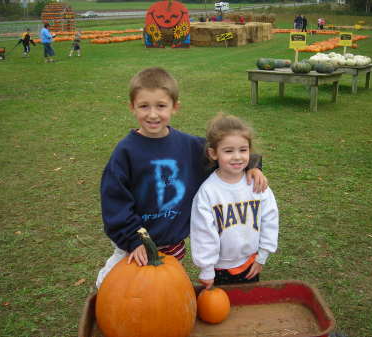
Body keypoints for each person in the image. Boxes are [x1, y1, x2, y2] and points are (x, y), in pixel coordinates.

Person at [95, 68, 268, 288]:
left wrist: (252, 166)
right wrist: (133, 239)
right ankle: (105, 298)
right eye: (144, 106)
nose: (153, 114)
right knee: (114, 287)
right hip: (136, 244)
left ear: (175, 107)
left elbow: (225, 154)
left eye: (161, 106)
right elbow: (115, 201)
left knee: (162, 290)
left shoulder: (189, 147)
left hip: (172, 243)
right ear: (132, 107)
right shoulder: (126, 152)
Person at [190, 113, 279, 289]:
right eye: (228, 151)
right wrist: (207, 269)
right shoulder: (208, 192)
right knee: (218, 310)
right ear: (213, 153)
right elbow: (202, 232)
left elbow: (270, 219)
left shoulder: (257, 185)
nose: (237, 157)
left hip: (250, 262)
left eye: (243, 150)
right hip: (219, 268)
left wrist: (262, 256)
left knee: (246, 310)